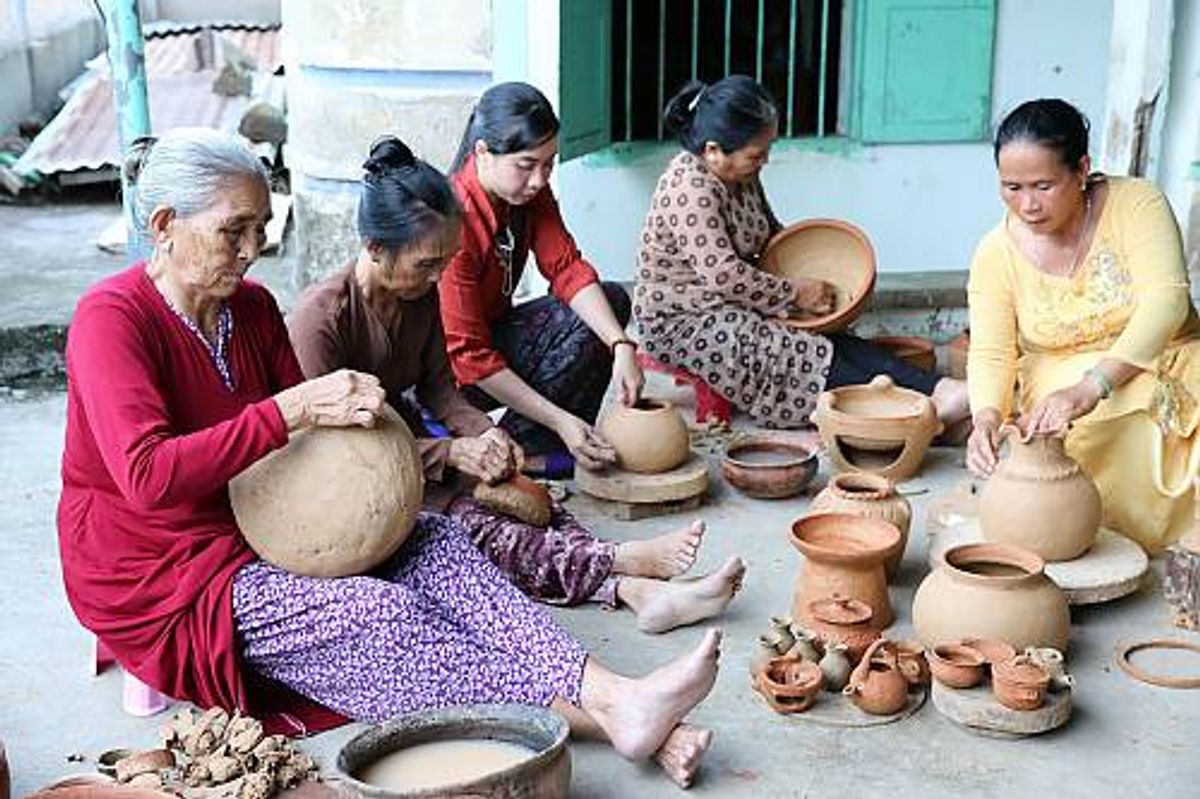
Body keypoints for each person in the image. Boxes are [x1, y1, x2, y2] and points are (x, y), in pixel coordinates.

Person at [55, 128, 720, 788]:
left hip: (266, 530)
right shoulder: (112, 319)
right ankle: (622, 717)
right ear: (165, 225)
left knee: (440, 543)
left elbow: (314, 451)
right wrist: (294, 410)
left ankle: (610, 692)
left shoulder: (251, 308)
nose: (252, 250)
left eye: (260, 228)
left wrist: (385, 460)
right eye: (235, 231)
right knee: (381, 615)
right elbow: (147, 476)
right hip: (162, 569)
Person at [288, 135, 745, 633]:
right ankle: (626, 576)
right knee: (474, 530)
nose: (438, 277)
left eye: (443, 262)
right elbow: (336, 449)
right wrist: (450, 454)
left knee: (529, 500)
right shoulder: (321, 321)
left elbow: (440, 389)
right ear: (376, 248)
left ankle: (635, 582)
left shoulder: (417, 292)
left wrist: (484, 433)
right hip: (353, 481)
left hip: (409, 444)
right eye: (426, 264)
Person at [634, 76, 971, 431]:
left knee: (827, 338)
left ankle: (939, 391)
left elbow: (773, 235)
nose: (765, 160)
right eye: (756, 154)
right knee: (785, 351)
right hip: (682, 319)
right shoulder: (688, 187)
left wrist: (812, 284)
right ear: (714, 150)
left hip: (733, 301)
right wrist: (795, 293)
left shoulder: (741, 173)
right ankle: (910, 412)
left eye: (768, 149)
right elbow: (724, 275)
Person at [966, 98, 1200, 553]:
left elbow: (1167, 302)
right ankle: (1088, 529)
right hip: (1060, 376)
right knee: (1082, 425)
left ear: (1082, 170)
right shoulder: (994, 252)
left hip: (1168, 354)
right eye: (1011, 187)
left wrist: (1093, 386)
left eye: (1044, 185)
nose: (1028, 204)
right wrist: (986, 417)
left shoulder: (1137, 203)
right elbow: (992, 350)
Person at [441, 82, 644, 471]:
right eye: (526, 165)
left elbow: (566, 268)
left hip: (490, 341)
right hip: (442, 379)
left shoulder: (529, 195)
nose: (539, 178)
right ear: (482, 153)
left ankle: (532, 444)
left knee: (610, 302)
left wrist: (621, 345)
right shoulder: (452, 222)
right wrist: (559, 418)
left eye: (549, 163)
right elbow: (469, 355)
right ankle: (524, 448)